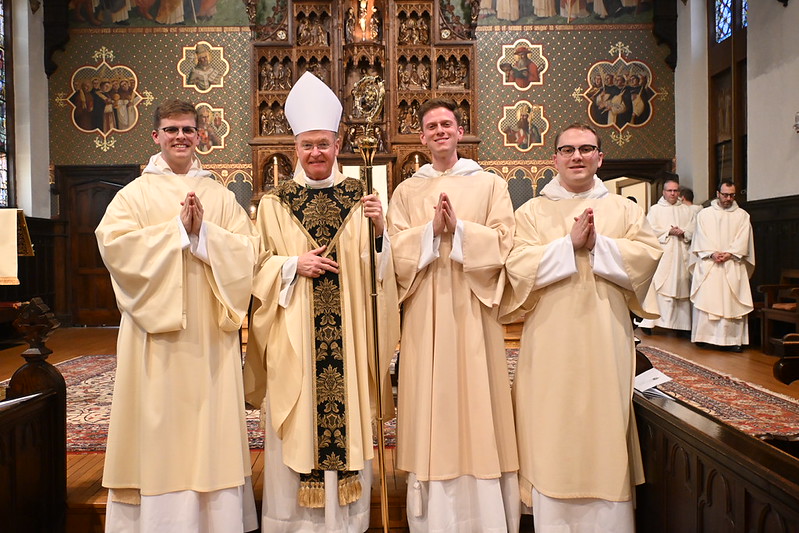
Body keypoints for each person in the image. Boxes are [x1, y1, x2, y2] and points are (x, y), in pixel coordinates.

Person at [243, 72, 400, 532]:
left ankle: (347, 524)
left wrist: (379, 234)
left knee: (348, 417)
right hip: (296, 339)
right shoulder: (274, 203)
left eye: (324, 144)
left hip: (347, 339)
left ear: (338, 145)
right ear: (295, 148)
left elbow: (380, 275)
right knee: (299, 420)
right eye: (308, 144)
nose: (316, 152)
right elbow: (256, 268)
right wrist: (293, 265)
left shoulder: (361, 200)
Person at [95, 100, 260, 532]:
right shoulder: (133, 195)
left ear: (199, 135)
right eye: (171, 130)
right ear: (156, 136)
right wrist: (175, 231)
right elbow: (114, 247)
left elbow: (249, 252)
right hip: (156, 337)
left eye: (188, 129)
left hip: (207, 334)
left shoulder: (220, 196)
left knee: (209, 422)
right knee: (159, 421)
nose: (181, 137)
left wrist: (203, 234)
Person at [500, 123, 662, 533]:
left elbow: (647, 256)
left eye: (586, 149)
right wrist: (566, 246)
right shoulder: (532, 212)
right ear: (554, 158)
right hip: (549, 338)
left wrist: (600, 245)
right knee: (550, 421)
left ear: (600, 158)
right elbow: (516, 267)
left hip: (606, 336)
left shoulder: (624, 210)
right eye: (567, 149)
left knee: (604, 420)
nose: (577, 156)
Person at [386, 97, 520, 532]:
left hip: (472, 310)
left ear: (460, 131)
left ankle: (484, 512)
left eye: (447, 124)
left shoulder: (490, 185)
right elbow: (393, 251)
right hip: (425, 310)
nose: (440, 131)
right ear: (422, 136)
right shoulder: (407, 191)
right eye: (431, 126)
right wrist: (430, 233)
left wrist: (459, 231)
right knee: (429, 397)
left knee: (477, 394)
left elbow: (505, 242)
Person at [689, 179, 755, 352]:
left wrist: (731, 253)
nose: (728, 198)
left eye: (731, 195)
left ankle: (733, 340)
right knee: (708, 299)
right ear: (717, 194)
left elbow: (744, 238)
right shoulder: (704, 214)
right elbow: (700, 237)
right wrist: (711, 253)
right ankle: (704, 337)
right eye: (725, 195)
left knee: (731, 302)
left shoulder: (742, 215)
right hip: (710, 263)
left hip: (732, 263)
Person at [639, 179, 695, 336]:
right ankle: (650, 323)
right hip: (664, 254)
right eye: (670, 191)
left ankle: (682, 326)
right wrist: (667, 232)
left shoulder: (687, 210)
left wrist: (683, 232)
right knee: (660, 286)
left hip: (681, 254)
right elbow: (648, 230)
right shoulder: (655, 210)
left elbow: (693, 228)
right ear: (663, 192)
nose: (673, 194)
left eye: (676, 191)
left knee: (682, 287)